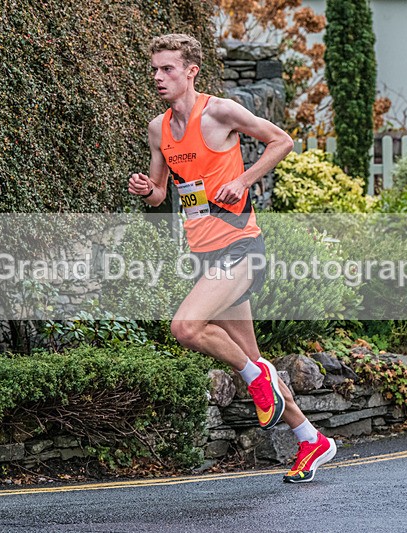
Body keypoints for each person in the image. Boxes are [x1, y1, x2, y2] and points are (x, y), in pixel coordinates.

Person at [128, 34, 336, 483]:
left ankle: (253, 374)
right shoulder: (157, 128)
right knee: (252, 358)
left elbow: (281, 141)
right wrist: (149, 191)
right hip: (203, 252)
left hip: (241, 246)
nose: (159, 76)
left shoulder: (220, 112)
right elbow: (163, 192)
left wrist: (243, 181)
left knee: (185, 327)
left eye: (168, 69)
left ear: (191, 72)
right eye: (155, 69)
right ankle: (310, 438)